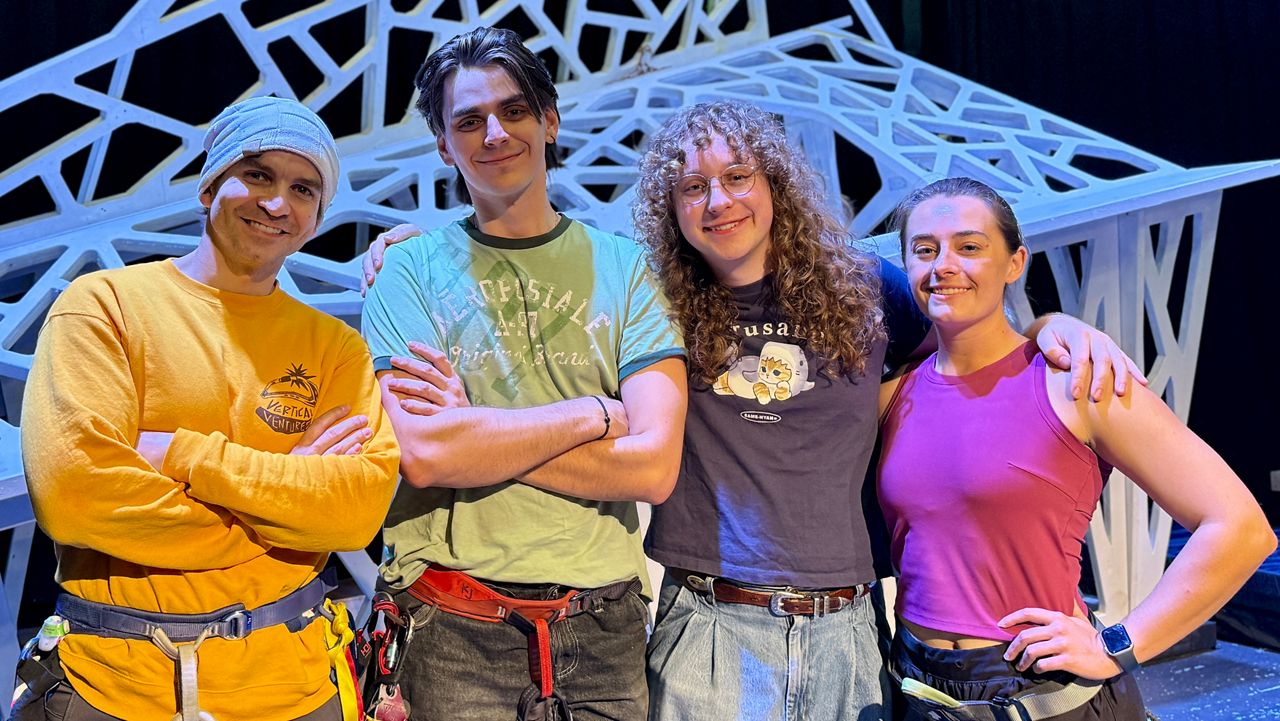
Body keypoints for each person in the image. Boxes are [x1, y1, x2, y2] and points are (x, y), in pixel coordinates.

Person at [362, 99, 1139, 719]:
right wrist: (417, 246)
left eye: (738, 176)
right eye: (693, 187)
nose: (718, 200)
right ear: (673, 208)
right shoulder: (655, 299)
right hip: (711, 628)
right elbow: (545, 260)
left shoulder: (868, 289)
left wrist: (1052, 328)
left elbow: (971, 333)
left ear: (775, 185)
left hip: (851, 631)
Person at [18, 96, 400, 721]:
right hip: (112, 685)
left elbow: (352, 514)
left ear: (316, 216)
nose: (277, 202)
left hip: (294, 688)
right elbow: (76, 498)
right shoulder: (104, 306)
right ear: (209, 185)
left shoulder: (335, 348)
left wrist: (179, 453)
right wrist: (282, 494)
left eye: (303, 188)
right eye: (257, 174)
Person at [359, 27, 686, 721]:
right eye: (469, 120)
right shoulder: (407, 270)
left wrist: (477, 435)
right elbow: (425, 453)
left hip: (604, 631)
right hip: (449, 626)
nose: (495, 133)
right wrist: (593, 415)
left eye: (513, 111)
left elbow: (654, 466)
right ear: (445, 145)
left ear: (550, 121)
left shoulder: (625, 269)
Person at [877, 176, 1275, 720]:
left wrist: (1120, 645)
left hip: (1041, 693)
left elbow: (1239, 527)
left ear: (1015, 263)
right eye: (925, 250)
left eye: (970, 247)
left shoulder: (1077, 382)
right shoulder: (892, 394)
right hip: (918, 688)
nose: (944, 264)